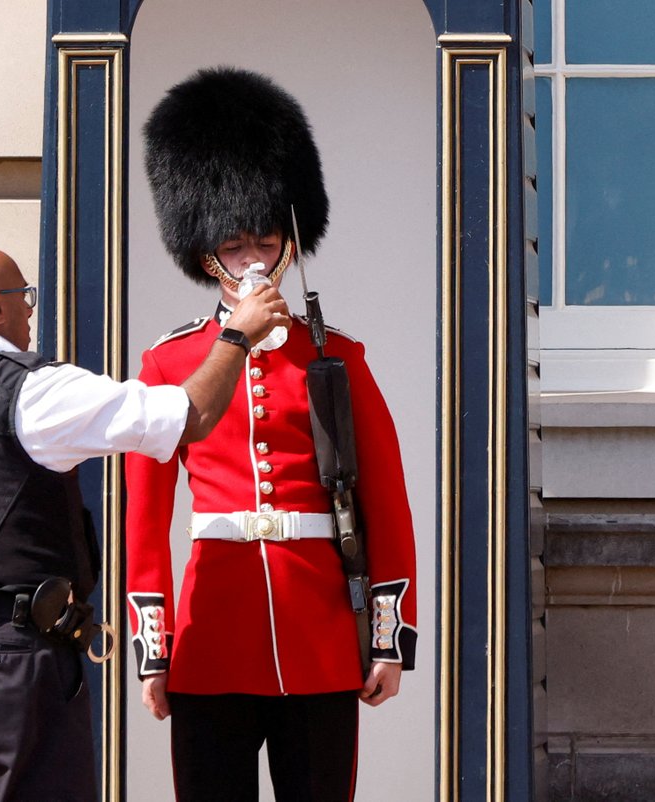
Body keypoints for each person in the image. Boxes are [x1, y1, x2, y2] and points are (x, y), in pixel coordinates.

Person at [0, 244, 290, 801]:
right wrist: (236, 335)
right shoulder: (35, 390)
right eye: (25, 299)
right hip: (14, 654)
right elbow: (191, 415)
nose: (30, 312)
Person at [126, 67, 418, 801]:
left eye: (266, 241)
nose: (254, 260)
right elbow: (144, 519)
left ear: (290, 245)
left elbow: (388, 504)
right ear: (206, 258)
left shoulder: (338, 357)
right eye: (235, 246)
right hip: (211, 633)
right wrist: (152, 649)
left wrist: (388, 638)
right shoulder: (169, 362)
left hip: (317, 635)